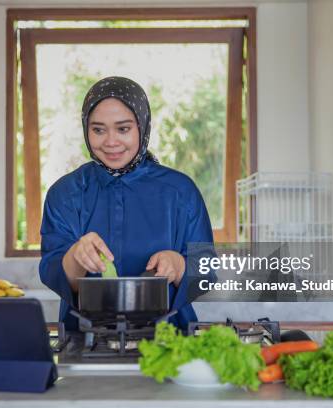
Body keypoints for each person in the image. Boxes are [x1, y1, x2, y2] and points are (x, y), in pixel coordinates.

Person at [39, 76, 213, 330]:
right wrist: (76, 256)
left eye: (123, 129)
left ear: (142, 127)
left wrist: (179, 265)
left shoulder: (180, 191)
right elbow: (52, 271)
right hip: (85, 338)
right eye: (98, 129)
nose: (111, 142)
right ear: (86, 129)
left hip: (171, 337)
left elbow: (206, 269)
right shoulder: (64, 194)